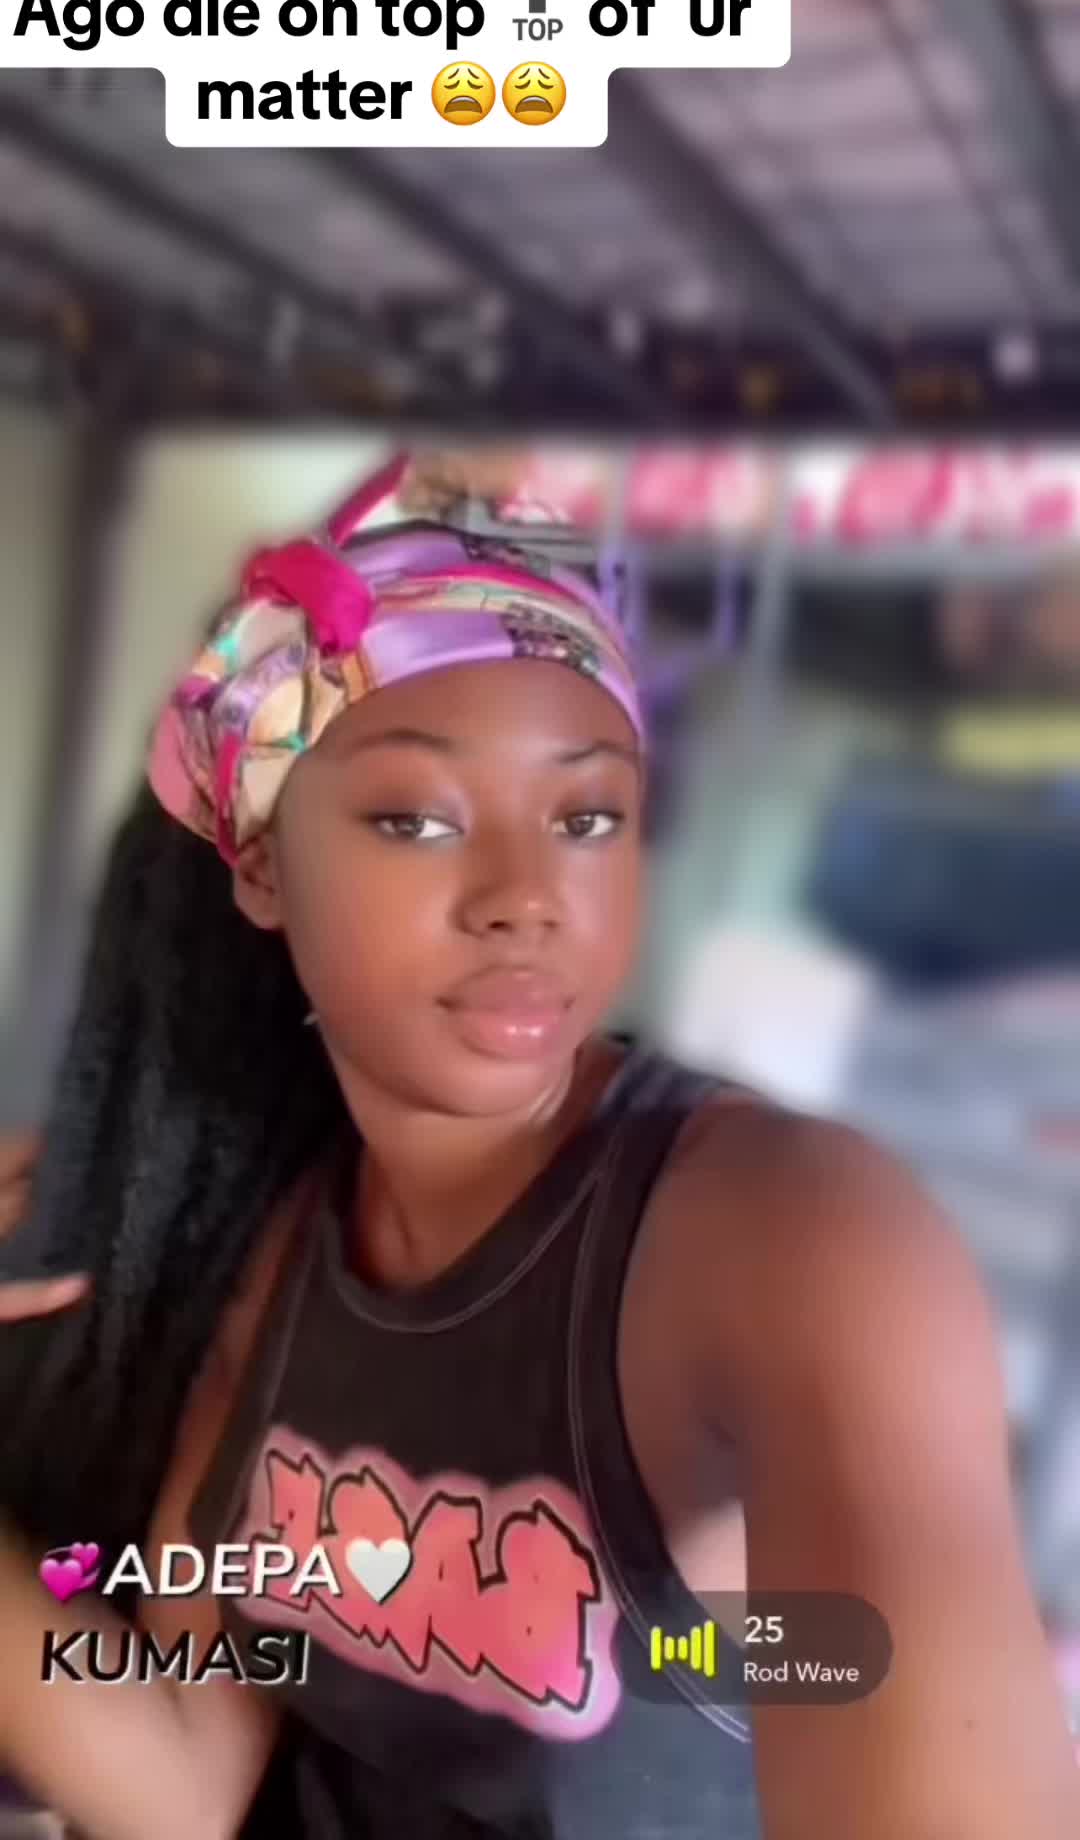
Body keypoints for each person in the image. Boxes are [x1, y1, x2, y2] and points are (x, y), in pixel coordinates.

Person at [0, 454, 1076, 1840]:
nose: (527, 897)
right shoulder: (279, 1256)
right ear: (262, 865)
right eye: (416, 818)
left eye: (585, 817)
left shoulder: (794, 1241)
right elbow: (183, 1762)